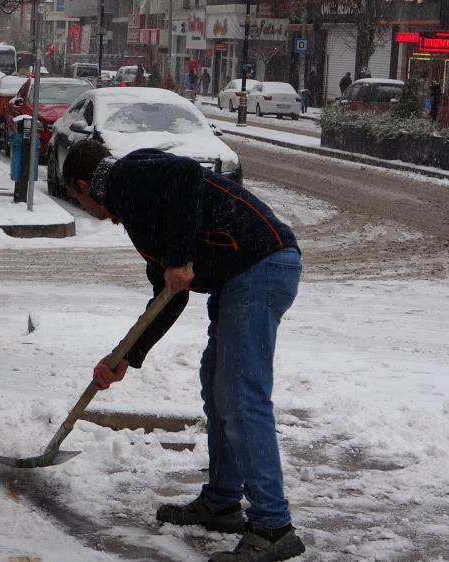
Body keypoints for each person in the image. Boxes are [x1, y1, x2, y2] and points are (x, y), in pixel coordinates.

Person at [62, 141, 305, 562]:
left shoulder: (126, 175)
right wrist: (125, 358)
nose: (83, 207)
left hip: (260, 264)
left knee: (240, 395)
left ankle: (273, 526)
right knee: (218, 390)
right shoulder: (137, 212)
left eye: (76, 198)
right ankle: (223, 502)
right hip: (238, 276)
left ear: (85, 185)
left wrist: (176, 258)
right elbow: (170, 296)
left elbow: (187, 175)